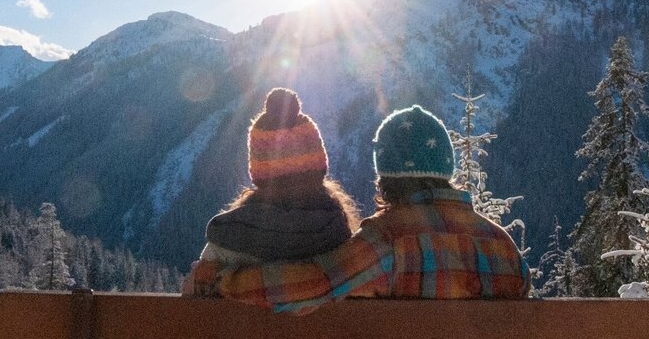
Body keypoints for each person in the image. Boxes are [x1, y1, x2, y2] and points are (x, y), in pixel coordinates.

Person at [185, 104, 530, 312]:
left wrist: (222, 279)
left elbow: (313, 284)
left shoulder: (388, 241)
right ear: (446, 169)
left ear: (385, 176)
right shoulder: (503, 245)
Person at [198, 87, 360, 267]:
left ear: (259, 172)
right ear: (319, 167)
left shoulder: (227, 240)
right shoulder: (340, 233)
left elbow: (199, 280)